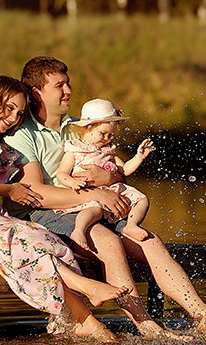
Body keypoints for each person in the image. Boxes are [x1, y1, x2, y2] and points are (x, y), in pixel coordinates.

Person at [4, 56, 206, 338]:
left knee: (149, 241)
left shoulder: (80, 127)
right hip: (44, 213)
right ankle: (147, 326)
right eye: (59, 85)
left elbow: (116, 171)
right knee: (109, 242)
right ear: (37, 92)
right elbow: (34, 194)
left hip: (91, 204)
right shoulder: (21, 135)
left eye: (68, 83)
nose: (68, 91)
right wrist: (97, 193)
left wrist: (109, 179)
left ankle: (204, 316)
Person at [0, 75, 128, 342]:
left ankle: (86, 322)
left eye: (19, 113)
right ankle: (85, 289)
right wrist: (11, 190)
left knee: (43, 238)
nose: (13, 118)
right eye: (9, 108)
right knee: (20, 239)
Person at [55, 98, 155, 248]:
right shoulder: (75, 150)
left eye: (111, 135)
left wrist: (139, 157)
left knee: (142, 199)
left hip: (110, 190)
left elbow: (124, 170)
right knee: (94, 210)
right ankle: (79, 230)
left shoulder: (108, 151)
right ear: (87, 128)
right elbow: (62, 174)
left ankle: (131, 225)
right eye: (103, 133)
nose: (107, 138)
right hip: (87, 192)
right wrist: (73, 182)